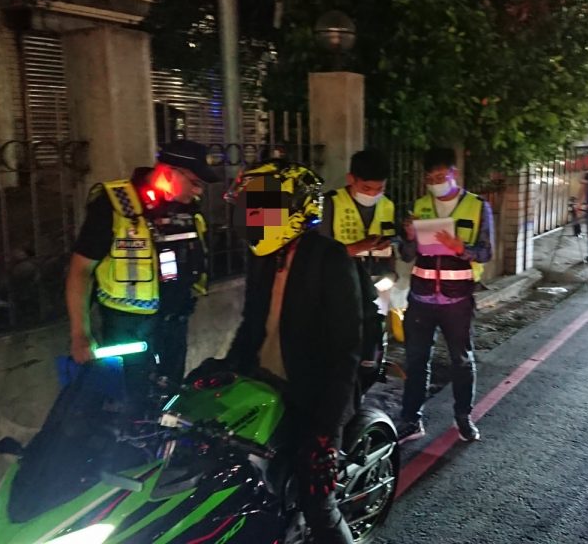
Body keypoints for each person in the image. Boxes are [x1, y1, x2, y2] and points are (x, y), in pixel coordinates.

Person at [217, 160, 361, 544]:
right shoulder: (263, 255)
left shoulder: (330, 258)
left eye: (262, 205)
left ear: (295, 208)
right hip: (263, 390)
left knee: (319, 504)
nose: (252, 214)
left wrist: (327, 431)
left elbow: (346, 351)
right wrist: (226, 370)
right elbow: (252, 323)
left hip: (313, 399)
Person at [66, 139, 219, 394]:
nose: (198, 192)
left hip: (174, 326)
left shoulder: (187, 207)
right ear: (169, 173)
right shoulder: (114, 204)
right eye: (194, 182)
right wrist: (80, 335)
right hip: (128, 332)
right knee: (131, 404)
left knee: (170, 400)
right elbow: (80, 270)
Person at [398, 148, 494, 443]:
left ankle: (463, 417)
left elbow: (486, 252)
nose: (435, 182)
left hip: (457, 299)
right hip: (421, 297)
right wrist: (410, 238)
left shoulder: (477, 206)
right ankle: (411, 419)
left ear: (454, 173)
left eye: (441, 176)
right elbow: (406, 254)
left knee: (461, 360)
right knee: (416, 360)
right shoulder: (419, 206)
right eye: (430, 178)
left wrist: (459, 248)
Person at [318, 149, 397, 392]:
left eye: (379, 189)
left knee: (374, 336)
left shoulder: (387, 205)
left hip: (377, 281)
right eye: (366, 188)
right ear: (351, 179)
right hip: (342, 283)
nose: (373, 194)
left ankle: (369, 377)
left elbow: (392, 241)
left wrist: (389, 245)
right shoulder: (330, 203)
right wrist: (357, 247)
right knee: (343, 342)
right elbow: (320, 250)